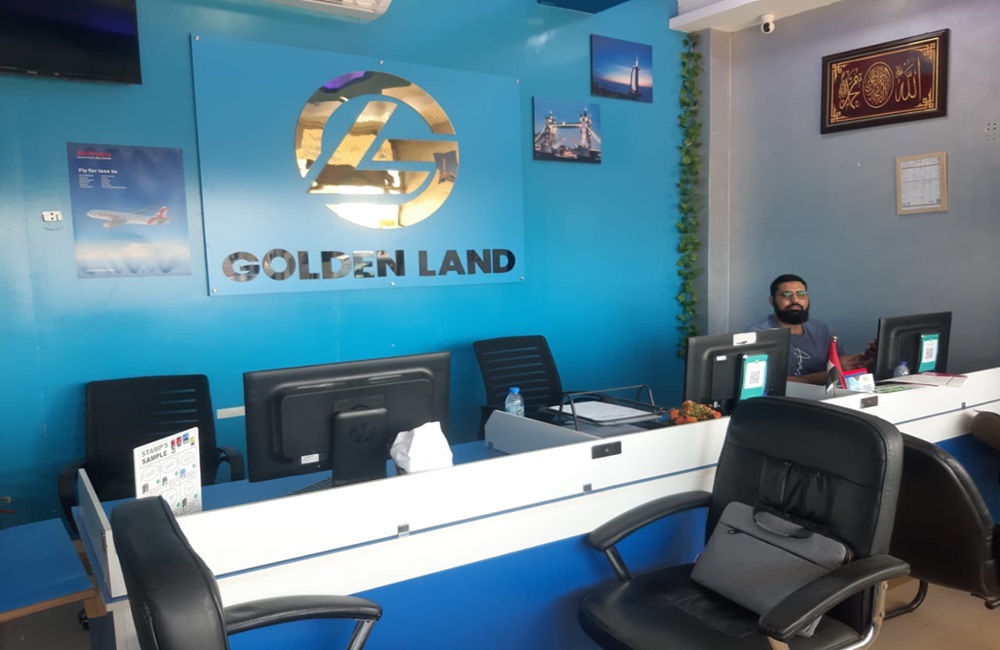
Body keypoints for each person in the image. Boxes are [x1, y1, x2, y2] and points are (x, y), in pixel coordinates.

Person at [746, 274, 868, 384]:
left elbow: (843, 367)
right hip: (781, 399)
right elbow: (761, 382)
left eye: (801, 294)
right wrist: (826, 375)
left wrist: (869, 358)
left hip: (823, 397)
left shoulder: (822, 330)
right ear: (772, 301)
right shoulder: (758, 334)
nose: (795, 300)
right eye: (786, 295)